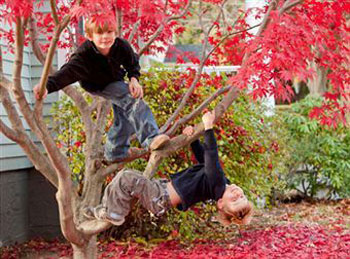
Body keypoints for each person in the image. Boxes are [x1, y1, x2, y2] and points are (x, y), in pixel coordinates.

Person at [33, 17, 169, 163]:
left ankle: (115, 151)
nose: (105, 37)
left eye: (109, 32)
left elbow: (132, 62)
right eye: (99, 33)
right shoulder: (83, 55)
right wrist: (46, 86)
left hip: (115, 79)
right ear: (90, 36)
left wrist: (134, 79)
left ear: (115, 33)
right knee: (131, 98)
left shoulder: (121, 45)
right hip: (96, 84)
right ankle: (151, 137)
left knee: (125, 115)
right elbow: (67, 72)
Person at [84, 111, 253, 226]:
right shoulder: (220, 183)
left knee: (126, 177)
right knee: (121, 180)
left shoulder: (217, 184)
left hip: (159, 197)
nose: (238, 194)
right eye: (242, 196)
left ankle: (114, 214)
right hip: (160, 191)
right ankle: (104, 210)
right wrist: (192, 139)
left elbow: (211, 155)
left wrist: (208, 127)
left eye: (235, 200)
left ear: (221, 203)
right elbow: (203, 160)